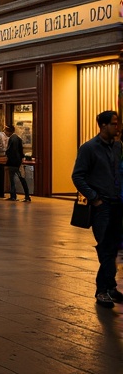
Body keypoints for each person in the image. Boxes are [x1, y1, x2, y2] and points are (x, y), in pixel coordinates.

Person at [71, 110, 122, 307]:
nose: (117, 127)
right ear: (103, 126)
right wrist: (94, 198)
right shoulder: (89, 148)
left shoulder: (118, 147)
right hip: (103, 207)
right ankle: (102, 290)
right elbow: (77, 176)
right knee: (106, 248)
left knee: (114, 247)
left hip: (118, 204)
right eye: (114, 124)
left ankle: (110, 287)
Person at [5, 124, 31, 203]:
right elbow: (20, 151)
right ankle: (26, 195)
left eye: (6, 131)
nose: (5, 132)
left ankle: (14, 195)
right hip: (18, 162)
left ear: (9, 131)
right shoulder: (18, 138)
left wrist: (8, 157)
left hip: (13, 163)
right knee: (22, 179)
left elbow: (11, 151)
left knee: (13, 179)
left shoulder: (12, 139)